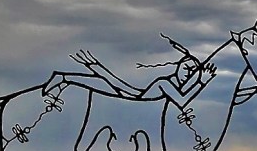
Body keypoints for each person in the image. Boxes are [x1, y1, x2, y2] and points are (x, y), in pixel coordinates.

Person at [44, 34, 216, 109]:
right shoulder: (166, 83)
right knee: (103, 82)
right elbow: (182, 101)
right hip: (132, 99)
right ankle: (64, 77)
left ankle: (65, 77)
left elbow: (182, 95)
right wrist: (201, 82)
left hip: (134, 96)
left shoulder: (174, 85)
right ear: (179, 67)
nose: (188, 73)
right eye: (186, 69)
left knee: (103, 82)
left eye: (192, 72)